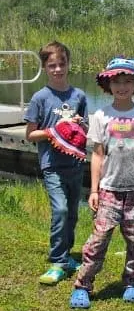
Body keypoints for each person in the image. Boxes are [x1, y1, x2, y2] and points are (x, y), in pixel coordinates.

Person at [70, 57, 134, 309]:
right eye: (117, 82)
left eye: (127, 81)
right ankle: (83, 285)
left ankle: (132, 282)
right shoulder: (101, 115)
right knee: (97, 240)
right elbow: (97, 155)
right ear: (108, 85)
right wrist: (94, 190)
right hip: (109, 189)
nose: (122, 86)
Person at [24, 40, 88, 285]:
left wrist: (79, 125)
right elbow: (31, 134)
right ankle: (57, 261)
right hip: (52, 165)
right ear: (44, 68)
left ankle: (67, 254)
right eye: (52, 65)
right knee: (60, 210)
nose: (58, 69)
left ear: (69, 65)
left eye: (62, 64)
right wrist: (54, 132)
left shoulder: (79, 96)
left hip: (75, 164)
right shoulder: (40, 98)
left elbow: (85, 129)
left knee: (72, 213)